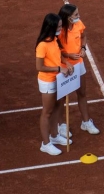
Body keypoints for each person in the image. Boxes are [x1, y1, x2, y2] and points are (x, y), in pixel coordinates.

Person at [55, 3, 100, 137]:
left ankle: (86, 122)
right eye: (75, 15)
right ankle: (61, 125)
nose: (78, 16)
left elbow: (84, 37)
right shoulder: (59, 31)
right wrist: (68, 56)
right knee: (62, 98)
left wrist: (83, 48)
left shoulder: (78, 24)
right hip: (64, 66)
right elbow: (55, 51)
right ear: (68, 17)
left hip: (78, 64)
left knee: (82, 92)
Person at [36, 13, 72, 155]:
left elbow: (59, 55)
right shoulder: (42, 45)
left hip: (58, 79)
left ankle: (55, 136)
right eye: (58, 27)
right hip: (47, 81)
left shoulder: (55, 40)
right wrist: (58, 69)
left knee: (58, 107)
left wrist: (67, 63)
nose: (61, 29)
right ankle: (45, 144)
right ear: (50, 27)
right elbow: (39, 67)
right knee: (47, 112)